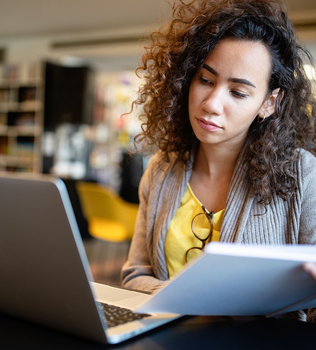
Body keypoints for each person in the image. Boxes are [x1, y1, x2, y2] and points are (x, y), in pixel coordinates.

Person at [121, 0, 316, 321]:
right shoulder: (161, 169)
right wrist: (195, 303)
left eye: (238, 92)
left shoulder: (302, 173)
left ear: (269, 103)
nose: (211, 104)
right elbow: (134, 275)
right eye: (205, 80)